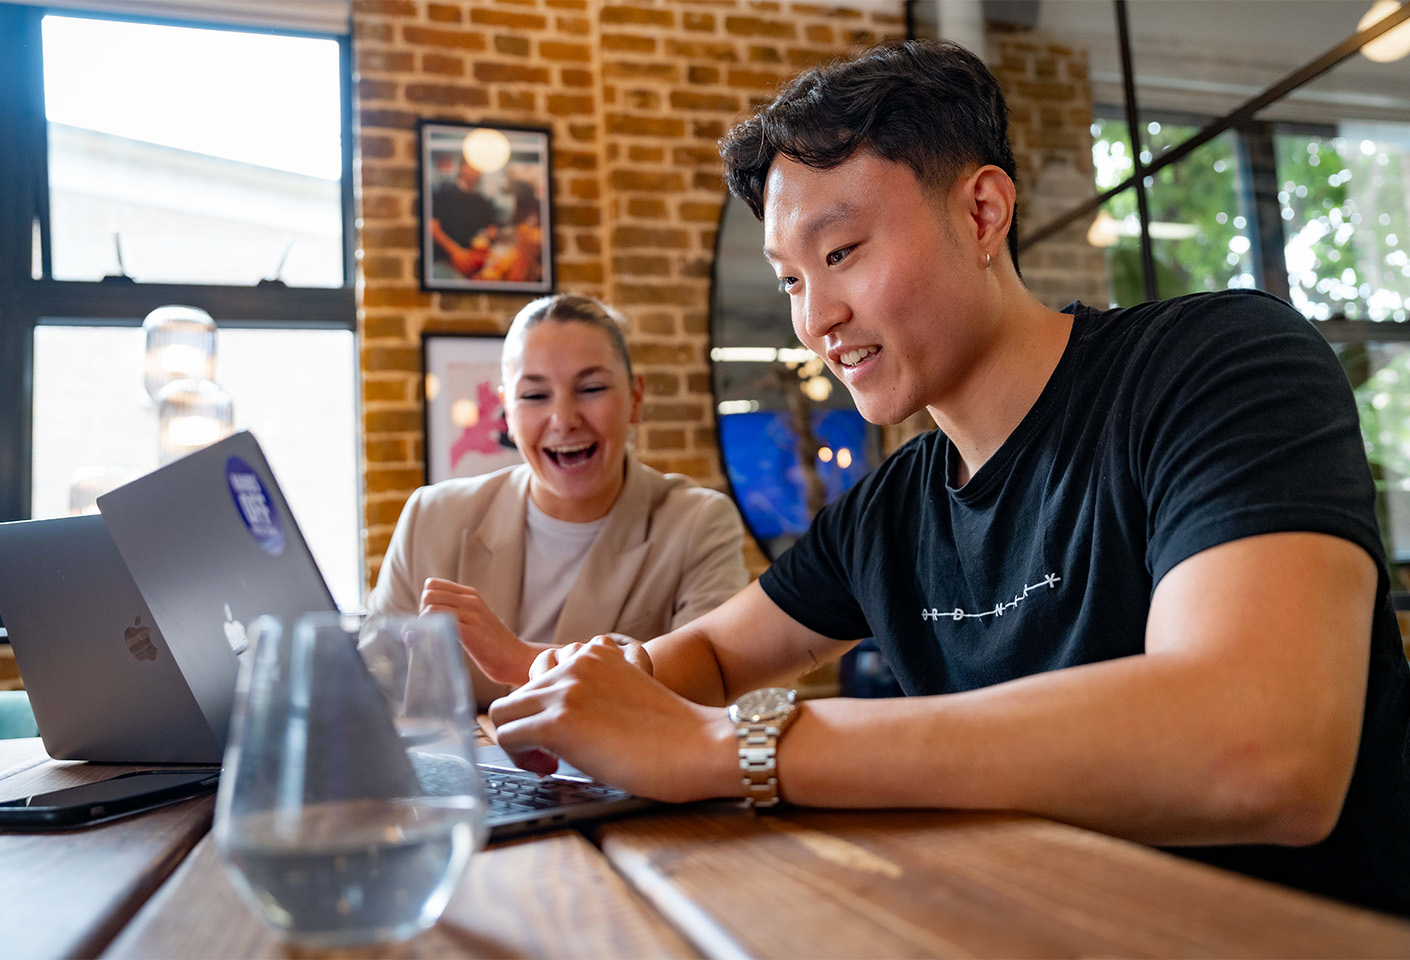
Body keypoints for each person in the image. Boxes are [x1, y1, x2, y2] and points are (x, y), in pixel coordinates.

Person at [484, 40, 1410, 915]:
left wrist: (725, 747)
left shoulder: (1214, 366)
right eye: (792, 282)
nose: (817, 319)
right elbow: (721, 656)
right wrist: (585, 687)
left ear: (981, 213)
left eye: (841, 254)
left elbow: (1258, 749)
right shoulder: (891, 509)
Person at [367, 293, 750, 706]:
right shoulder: (432, 516)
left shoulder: (698, 522)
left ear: (635, 398)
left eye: (591, 388)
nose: (564, 420)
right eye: (534, 396)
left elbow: (713, 699)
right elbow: (370, 695)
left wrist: (519, 660)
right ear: (506, 414)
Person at [430, 159, 501, 279]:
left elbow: (491, 230)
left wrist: (483, 246)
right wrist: (456, 252)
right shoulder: (443, 194)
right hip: (444, 262)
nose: (474, 172)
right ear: (462, 168)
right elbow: (432, 227)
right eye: (471, 167)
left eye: (478, 169)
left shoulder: (484, 201)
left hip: (474, 266)